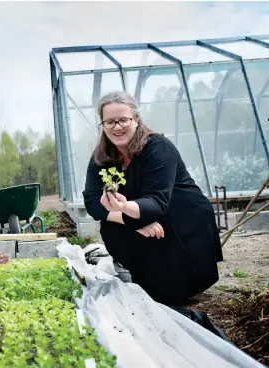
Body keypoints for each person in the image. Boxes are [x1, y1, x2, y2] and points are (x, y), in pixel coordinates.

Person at [83, 90, 223, 306]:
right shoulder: (101, 156)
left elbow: (158, 202)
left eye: (123, 120)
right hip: (141, 216)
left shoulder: (158, 148)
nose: (117, 127)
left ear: (136, 119)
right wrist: (129, 220)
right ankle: (152, 279)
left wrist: (126, 209)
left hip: (181, 218)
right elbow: (92, 202)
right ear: (102, 125)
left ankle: (180, 282)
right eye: (110, 122)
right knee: (110, 228)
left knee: (168, 294)